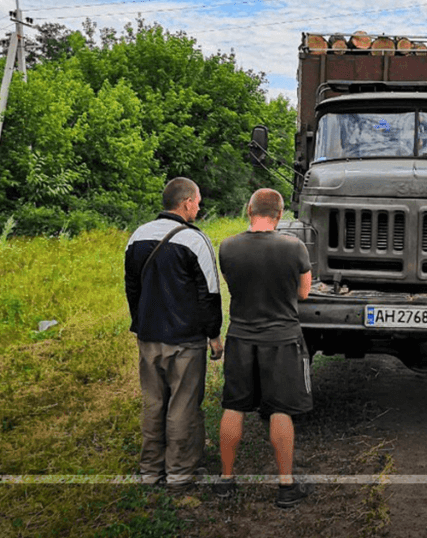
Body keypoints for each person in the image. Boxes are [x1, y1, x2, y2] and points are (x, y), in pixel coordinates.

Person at [212, 188, 314, 509]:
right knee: (280, 410)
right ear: (280, 214)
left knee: (234, 406)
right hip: (282, 340)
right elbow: (305, 293)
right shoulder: (294, 248)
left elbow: (233, 284)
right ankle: (286, 486)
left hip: (241, 337)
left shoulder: (227, 247)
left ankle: (226, 481)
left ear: (249, 210)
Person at [124, 177, 224, 492]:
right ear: (184, 204)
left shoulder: (136, 236)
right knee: (182, 405)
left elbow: (132, 287)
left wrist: (140, 323)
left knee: (153, 403)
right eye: (196, 201)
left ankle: (150, 471)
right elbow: (210, 293)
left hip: (149, 336)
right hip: (186, 341)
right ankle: (180, 473)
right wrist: (214, 334)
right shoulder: (196, 240)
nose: (199, 206)